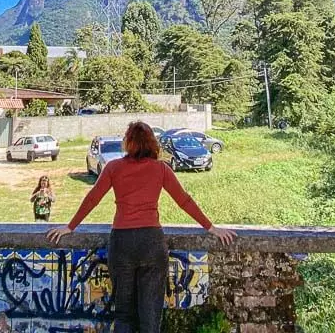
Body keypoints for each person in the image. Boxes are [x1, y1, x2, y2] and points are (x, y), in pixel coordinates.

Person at [47, 121, 235, 333]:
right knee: (150, 313)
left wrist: (70, 227)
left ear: (128, 142)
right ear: (152, 144)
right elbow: (184, 200)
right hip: (152, 243)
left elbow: (93, 199)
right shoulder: (160, 169)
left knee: (124, 314)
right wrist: (211, 228)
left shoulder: (113, 167)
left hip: (122, 244)